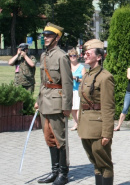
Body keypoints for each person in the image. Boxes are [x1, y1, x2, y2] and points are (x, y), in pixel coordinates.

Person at [34, 23, 73, 185]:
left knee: (60, 139)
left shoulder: (61, 56)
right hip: (45, 102)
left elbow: (67, 83)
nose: (45, 38)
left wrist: (66, 106)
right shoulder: (44, 56)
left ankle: (63, 174)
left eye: (49, 36)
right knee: (49, 138)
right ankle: (54, 171)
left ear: (57, 38)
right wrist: (38, 100)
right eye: (44, 36)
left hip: (57, 103)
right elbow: (43, 82)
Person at [77, 39, 115, 185]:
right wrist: (80, 126)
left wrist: (107, 132)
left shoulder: (105, 77)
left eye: (88, 53)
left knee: (104, 164)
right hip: (86, 126)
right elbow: (82, 104)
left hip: (98, 127)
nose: (85, 55)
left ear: (99, 57)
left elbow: (108, 107)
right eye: (84, 53)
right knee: (95, 163)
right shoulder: (87, 75)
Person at [68, 48, 86, 131]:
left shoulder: (81, 67)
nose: (72, 57)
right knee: (72, 108)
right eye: (71, 56)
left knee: (78, 107)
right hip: (70, 89)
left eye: (74, 55)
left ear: (77, 56)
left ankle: (79, 124)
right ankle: (75, 123)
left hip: (78, 89)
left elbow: (86, 79)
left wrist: (77, 79)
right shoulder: (67, 67)